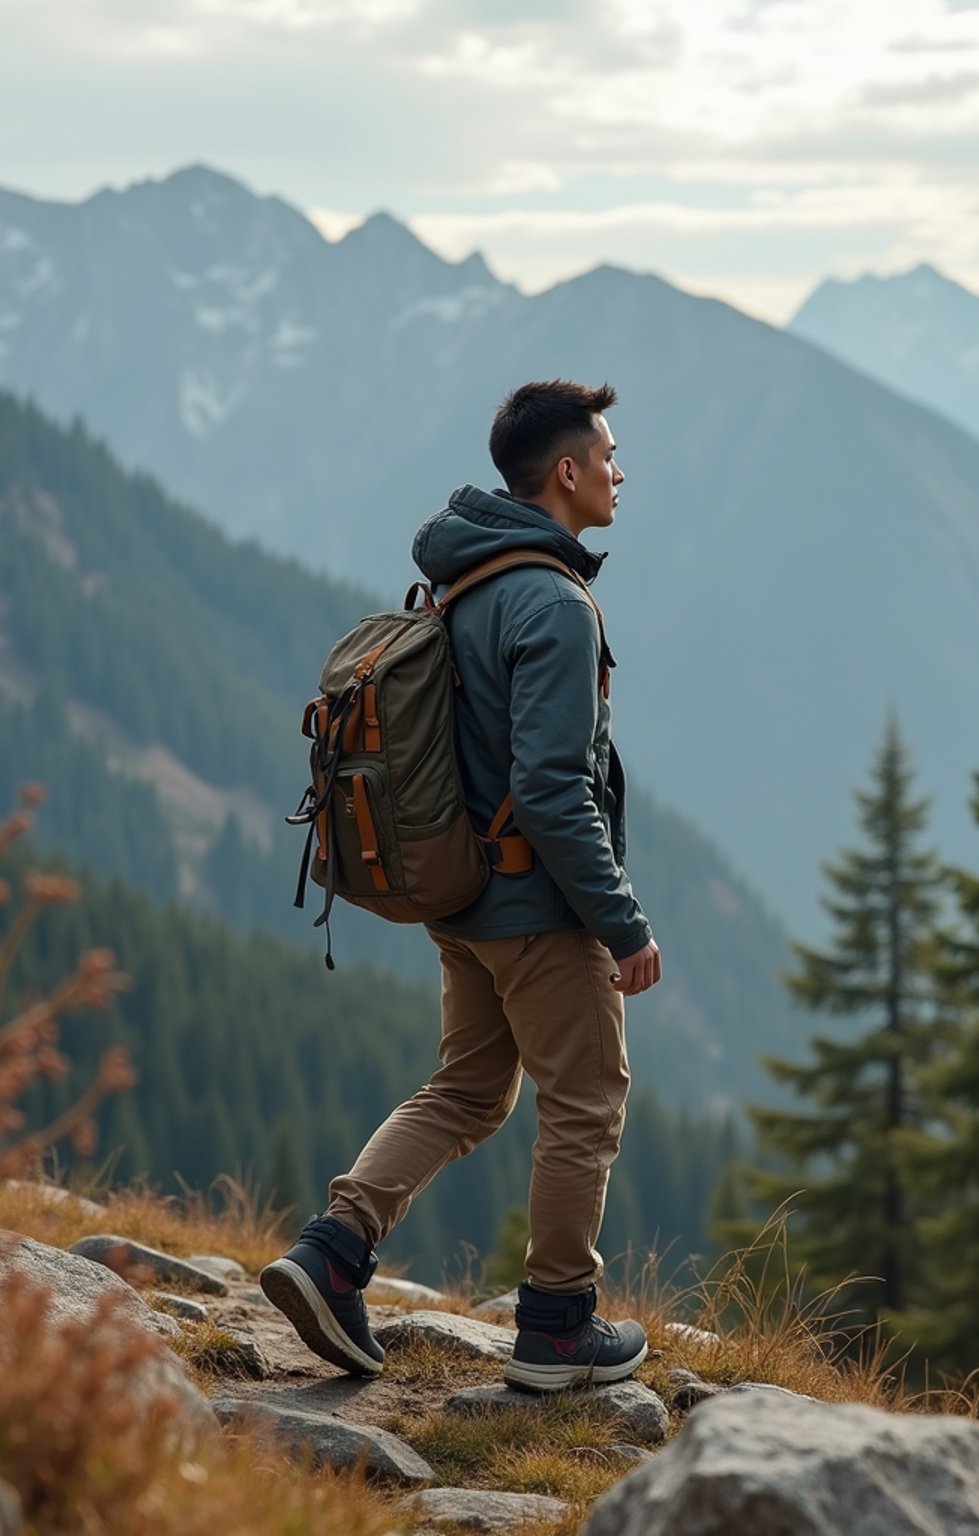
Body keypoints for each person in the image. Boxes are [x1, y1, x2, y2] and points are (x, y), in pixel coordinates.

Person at [261, 379, 662, 1392]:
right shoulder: (555, 604)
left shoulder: (468, 580)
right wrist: (621, 926)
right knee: (585, 1099)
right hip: (536, 909)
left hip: (461, 900)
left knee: (469, 1088)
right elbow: (551, 787)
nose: (620, 471)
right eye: (608, 455)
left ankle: (333, 1250)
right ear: (564, 473)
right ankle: (559, 1328)